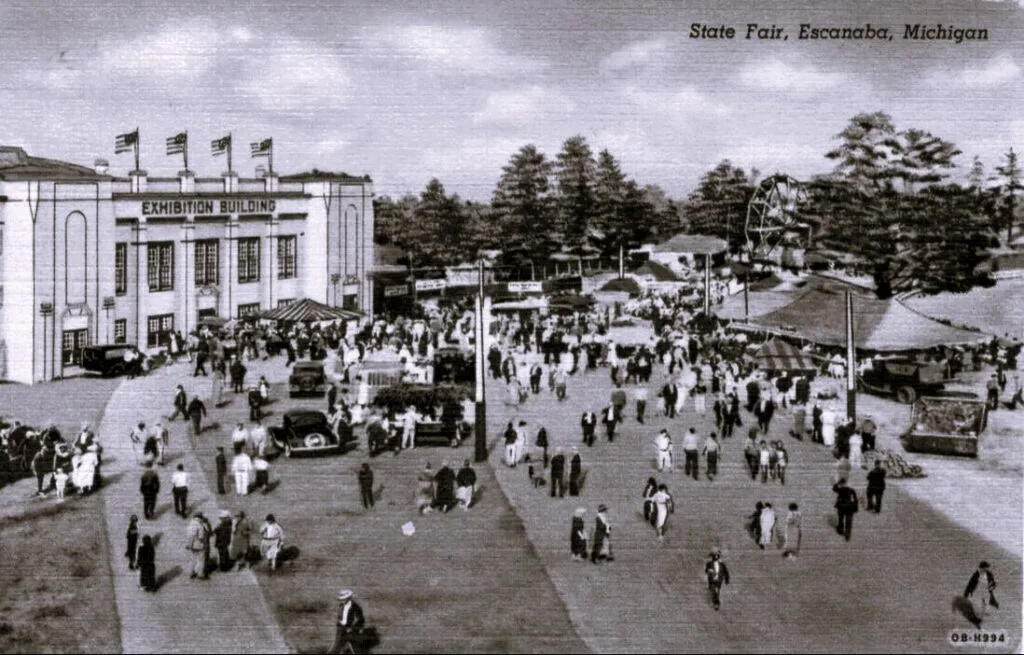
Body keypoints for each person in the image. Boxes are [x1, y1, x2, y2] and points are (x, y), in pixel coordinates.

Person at [329, 589, 366, 655]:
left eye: (343, 599)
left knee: (356, 648)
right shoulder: (341, 605)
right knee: (336, 647)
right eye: (341, 599)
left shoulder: (356, 607)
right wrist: (339, 623)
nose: (341, 601)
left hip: (351, 630)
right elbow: (340, 616)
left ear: (348, 598)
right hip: (341, 629)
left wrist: (352, 628)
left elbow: (360, 620)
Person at [964, 561, 999, 625]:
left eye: (987, 568)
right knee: (978, 608)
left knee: (986, 609)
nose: (987, 569)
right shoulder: (976, 574)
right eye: (986, 567)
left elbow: (992, 582)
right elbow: (970, 584)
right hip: (977, 592)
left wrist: (993, 586)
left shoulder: (989, 574)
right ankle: (977, 620)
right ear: (982, 568)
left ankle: (980, 619)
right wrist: (966, 594)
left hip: (986, 592)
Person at [186, 512, 211, 579]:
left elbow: (189, 536)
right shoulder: (200, 525)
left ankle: (191, 572)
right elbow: (201, 537)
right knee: (201, 560)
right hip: (199, 545)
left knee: (193, 559)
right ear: (200, 518)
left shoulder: (190, 524)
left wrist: (189, 544)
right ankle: (200, 574)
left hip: (192, 545)